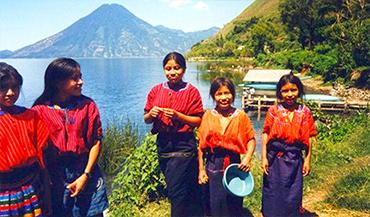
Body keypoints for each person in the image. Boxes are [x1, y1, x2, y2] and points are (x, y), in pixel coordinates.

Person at [32, 58, 109, 217]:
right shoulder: (39, 111)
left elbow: (96, 141)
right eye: (75, 78)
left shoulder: (87, 106)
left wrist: (85, 175)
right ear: (58, 82)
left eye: (80, 76)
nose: (81, 82)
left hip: (86, 168)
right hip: (56, 176)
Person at [144, 52, 204, 216]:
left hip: (183, 144)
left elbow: (198, 120)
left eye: (176, 68)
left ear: (184, 69)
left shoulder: (191, 91)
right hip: (163, 144)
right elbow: (146, 120)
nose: (172, 72)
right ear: (164, 70)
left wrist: (179, 116)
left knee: (177, 190)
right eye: (168, 68)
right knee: (176, 185)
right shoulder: (156, 90)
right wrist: (152, 114)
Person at [197, 77, 256, 216]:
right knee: (214, 203)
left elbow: (251, 139)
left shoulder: (241, 116)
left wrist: (247, 159)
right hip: (213, 164)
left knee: (234, 203)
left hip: (234, 163)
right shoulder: (208, 116)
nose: (224, 98)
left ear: (233, 95)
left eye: (227, 93)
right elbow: (201, 147)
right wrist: (201, 170)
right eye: (219, 94)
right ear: (213, 96)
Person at [261, 73, 317, 217]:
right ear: (280, 92)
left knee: (293, 192)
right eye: (285, 91)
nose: (290, 94)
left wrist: (307, 160)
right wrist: (263, 158)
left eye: (293, 90)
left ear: (299, 91)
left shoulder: (305, 112)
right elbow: (265, 133)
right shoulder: (274, 111)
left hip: (295, 159)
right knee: (272, 191)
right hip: (275, 159)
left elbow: (309, 137)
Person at [0, 62, 51, 216]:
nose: (10, 92)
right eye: (3, 87)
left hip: (30, 185)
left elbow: (42, 149)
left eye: (15, 87)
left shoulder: (30, 116)